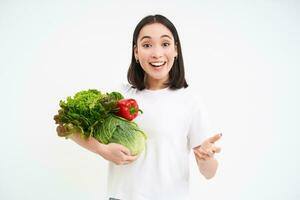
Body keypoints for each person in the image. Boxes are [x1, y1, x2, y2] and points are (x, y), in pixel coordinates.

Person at [70, 14, 222, 200]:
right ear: (136, 52)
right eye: (147, 45)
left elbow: (209, 173)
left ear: (176, 50)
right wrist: (102, 150)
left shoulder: (189, 100)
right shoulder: (120, 96)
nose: (157, 53)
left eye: (165, 44)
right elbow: (70, 129)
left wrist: (206, 158)